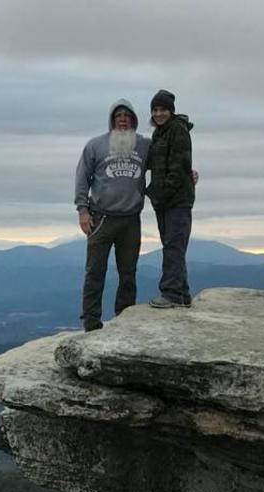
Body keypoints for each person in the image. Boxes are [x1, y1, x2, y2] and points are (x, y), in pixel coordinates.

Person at [74, 99, 150, 332]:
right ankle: (91, 323)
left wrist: (189, 172)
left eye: (127, 116)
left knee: (128, 273)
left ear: (134, 120)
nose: (123, 120)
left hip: (131, 219)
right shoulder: (95, 146)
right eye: (118, 116)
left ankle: (125, 321)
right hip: (100, 218)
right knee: (95, 272)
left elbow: (167, 162)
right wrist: (83, 210)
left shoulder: (144, 145)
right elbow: (82, 178)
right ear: (112, 120)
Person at [146, 90, 195, 308]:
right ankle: (182, 295)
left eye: (163, 109)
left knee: (173, 246)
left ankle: (172, 294)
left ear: (171, 111)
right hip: (165, 201)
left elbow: (178, 167)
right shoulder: (160, 133)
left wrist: (161, 194)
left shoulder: (177, 130)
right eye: (155, 110)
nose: (159, 114)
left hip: (176, 200)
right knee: (172, 245)